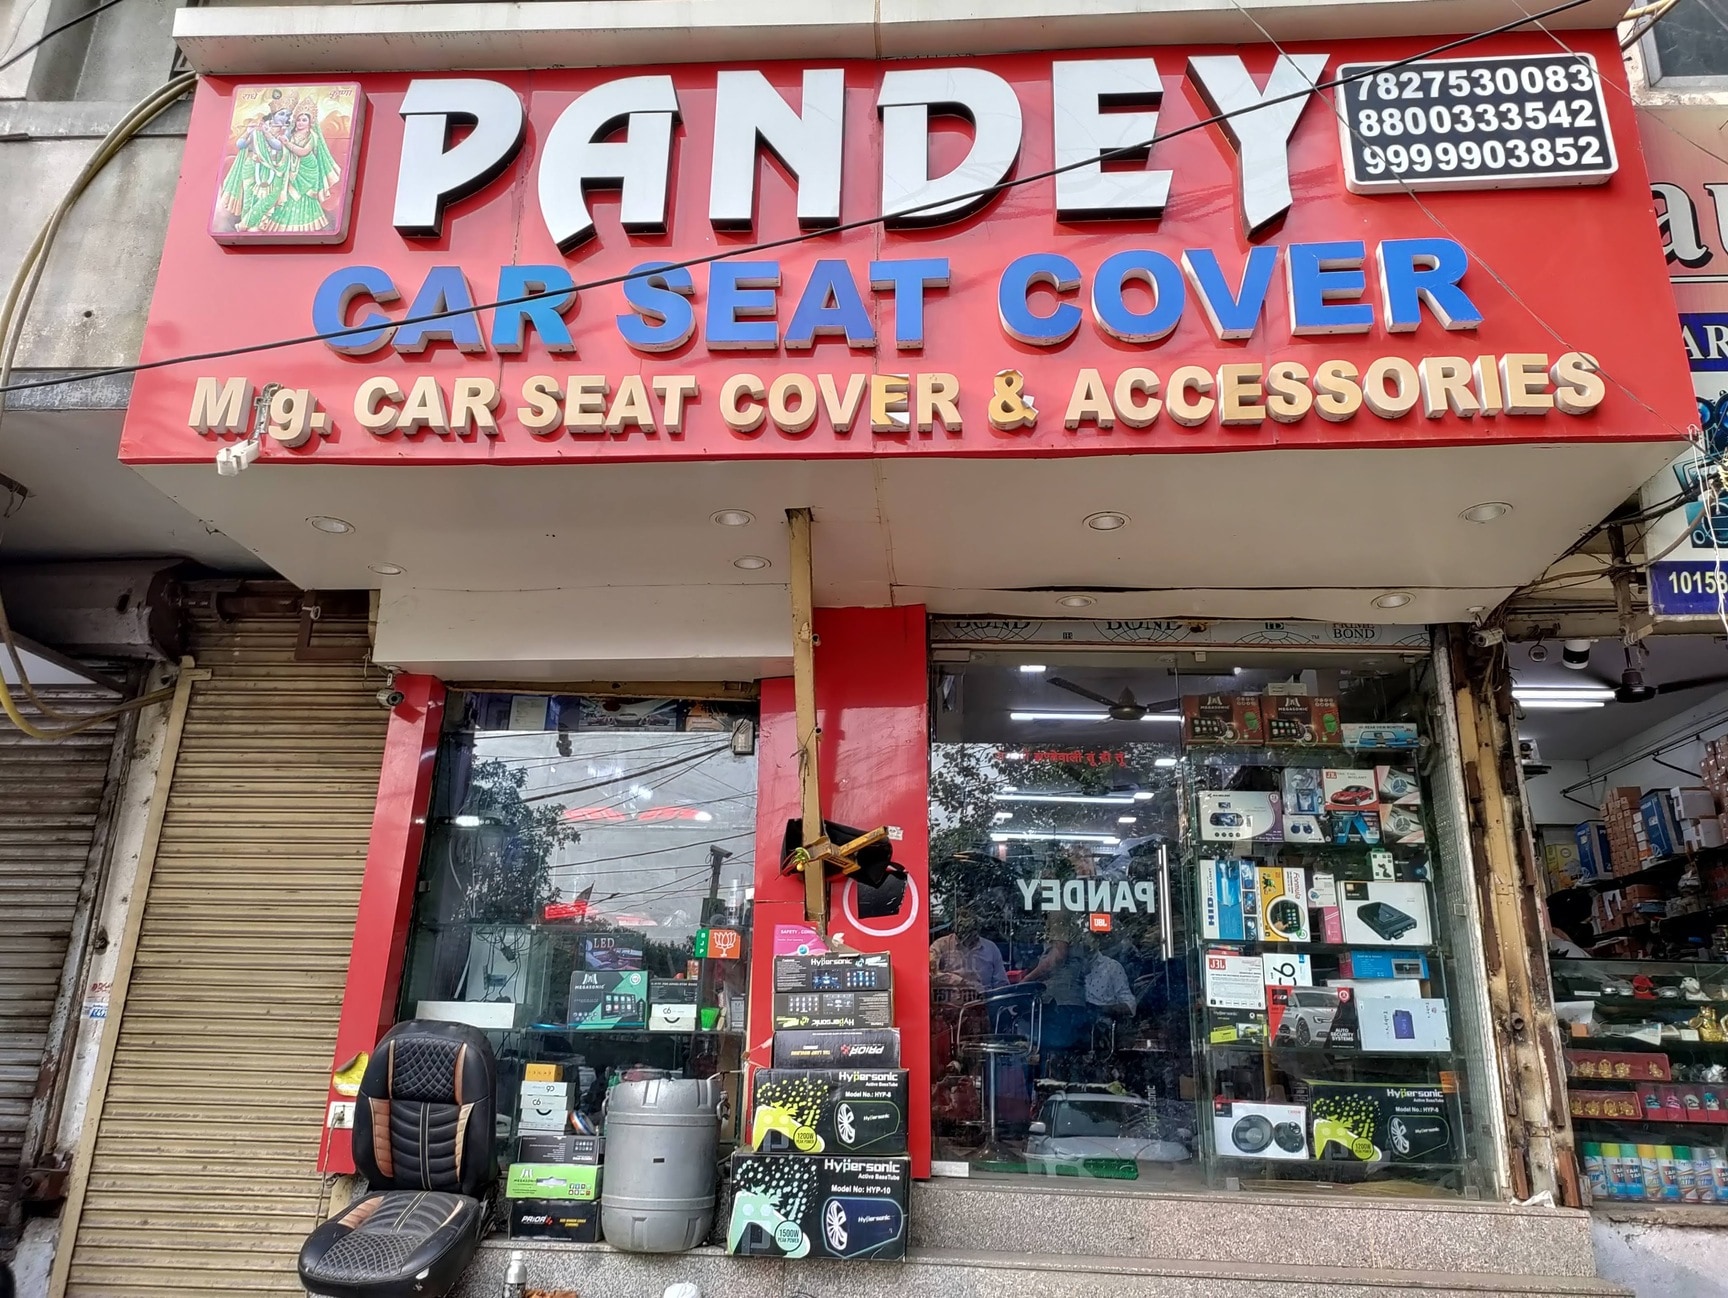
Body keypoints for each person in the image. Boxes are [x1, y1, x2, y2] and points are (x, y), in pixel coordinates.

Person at [931, 909, 1007, 991]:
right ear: (955, 926)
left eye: (972, 927)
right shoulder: (940, 946)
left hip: (983, 997)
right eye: (963, 927)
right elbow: (929, 974)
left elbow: (1001, 984)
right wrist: (958, 982)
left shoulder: (991, 948)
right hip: (951, 998)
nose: (967, 932)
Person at [1084, 930, 1138, 1020]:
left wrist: (1103, 1010)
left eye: (1088, 945)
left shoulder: (1112, 967)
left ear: (1097, 943)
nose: (1084, 947)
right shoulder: (1069, 967)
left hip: (1102, 1021)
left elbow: (1129, 1004)